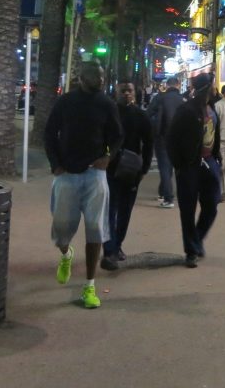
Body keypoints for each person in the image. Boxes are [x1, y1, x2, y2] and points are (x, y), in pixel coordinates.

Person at [43, 62, 122, 309]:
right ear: (81, 77)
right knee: (62, 228)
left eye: (102, 75)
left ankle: (89, 286)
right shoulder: (65, 102)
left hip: (94, 175)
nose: (100, 79)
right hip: (66, 174)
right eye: (95, 75)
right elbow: (49, 133)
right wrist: (55, 164)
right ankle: (66, 254)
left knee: (95, 228)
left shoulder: (106, 103)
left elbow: (117, 136)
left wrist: (107, 158)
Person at [167, 73, 221, 268]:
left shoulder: (212, 108)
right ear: (206, 88)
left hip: (209, 164)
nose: (216, 88)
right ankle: (191, 251)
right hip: (190, 167)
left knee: (212, 205)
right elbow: (171, 140)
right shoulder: (186, 110)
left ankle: (196, 239)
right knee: (188, 210)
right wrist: (180, 166)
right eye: (213, 85)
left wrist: (217, 161)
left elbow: (216, 136)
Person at [101, 79, 153, 271]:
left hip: (132, 170)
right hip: (110, 169)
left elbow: (148, 143)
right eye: (123, 90)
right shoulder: (109, 113)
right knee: (109, 210)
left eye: (129, 90)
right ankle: (110, 250)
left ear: (135, 92)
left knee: (125, 211)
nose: (126, 94)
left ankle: (117, 245)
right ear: (116, 92)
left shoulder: (141, 115)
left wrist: (145, 168)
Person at [146, 76, 184, 208]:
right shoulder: (183, 100)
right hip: (179, 138)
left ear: (167, 85)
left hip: (162, 136)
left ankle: (168, 198)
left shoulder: (159, 98)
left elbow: (148, 114)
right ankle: (163, 192)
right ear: (178, 85)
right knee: (172, 167)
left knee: (164, 166)